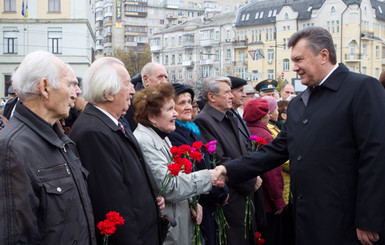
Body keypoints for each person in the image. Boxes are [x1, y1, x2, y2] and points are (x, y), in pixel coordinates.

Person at [212, 26, 385, 245]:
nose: (294, 68)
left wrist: (369, 218)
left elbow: (376, 156)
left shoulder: (362, 88)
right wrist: (229, 169)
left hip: (348, 222)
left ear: (323, 55)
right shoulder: (299, 104)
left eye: (299, 60)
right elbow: (276, 150)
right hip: (307, 219)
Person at [0, 50, 95, 244]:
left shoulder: (60, 139)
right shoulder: (12, 150)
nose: (77, 93)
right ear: (44, 87)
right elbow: (15, 237)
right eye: (70, 84)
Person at [70, 57, 164, 245]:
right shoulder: (93, 133)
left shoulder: (112, 122)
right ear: (109, 93)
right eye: (127, 83)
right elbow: (112, 204)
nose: (132, 90)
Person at [133, 83, 216, 245]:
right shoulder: (146, 141)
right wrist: (208, 177)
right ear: (152, 116)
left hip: (179, 224)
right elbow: (170, 186)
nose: (175, 114)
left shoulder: (160, 135)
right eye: (170, 109)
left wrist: (192, 201)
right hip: (171, 230)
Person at [194, 76, 258, 245]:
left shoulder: (230, 116)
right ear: (211, 97)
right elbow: (219, 159)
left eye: (231, 92)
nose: (231, 96)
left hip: (243, 194)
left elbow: (245, 150)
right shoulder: (204, 121)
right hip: (231, 197)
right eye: (227, 92)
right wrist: (251, 179)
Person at [168, 83, 229, 245]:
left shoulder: (192, 130)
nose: (188, 107)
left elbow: (207, 166)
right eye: (182, 103)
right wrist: (219, 192)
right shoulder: (175, 136)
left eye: (190, 102)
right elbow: (191, 174)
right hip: (197, 205)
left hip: (207, 202)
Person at [243, 98, 286, 245]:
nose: (270, 115)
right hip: (267, 201)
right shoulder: (265, 135)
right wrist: (278, 201)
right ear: (263, 116)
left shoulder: (244, 130)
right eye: (267, 113)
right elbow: (272, 173)